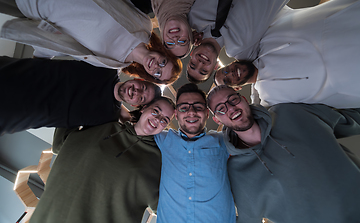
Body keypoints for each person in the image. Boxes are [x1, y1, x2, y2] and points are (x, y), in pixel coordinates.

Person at [207, 85, 360, 223]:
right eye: (221, 108)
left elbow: (351, 121)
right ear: (217, 119)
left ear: (244, 99)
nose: (231, 108)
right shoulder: (237, 172)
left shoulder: (290, 112)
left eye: (233, 99)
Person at [29, 96, 176, 223]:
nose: (158, 119)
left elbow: (166, 208)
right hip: (49, 215)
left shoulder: (159, 160)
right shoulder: (105, 124)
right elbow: (61, 143)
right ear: (143, 108)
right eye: (156, 111)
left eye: (165, 120)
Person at [0, 0, 182, 84]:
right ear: (163, 52)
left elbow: (70, 45)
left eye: (158, 73)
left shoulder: (112, 65)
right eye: (163, 62)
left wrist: (40, 55)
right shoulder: (143, 23)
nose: (155, 66)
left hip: (31, 4)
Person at [214, 0, 360, 109]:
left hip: (346, 21)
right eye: (227, 80)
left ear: (232, 62)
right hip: (351, 77)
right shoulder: (270, 100)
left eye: (225, 70)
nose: (230, 73)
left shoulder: (265, 35)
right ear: (236, 88)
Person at [0, 56, 162, 135]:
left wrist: (125, 117)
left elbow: (61, 146)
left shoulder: (107, 119)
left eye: (141, 98)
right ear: (138, 79)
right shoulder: (107, 66)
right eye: (141, 87)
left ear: (135, 105)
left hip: (15, 113)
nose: (136, 92)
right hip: (17, 74)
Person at [187, 0, 303, 83]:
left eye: (193, 65)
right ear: (216, 66)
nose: (200, 63)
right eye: (204, 70)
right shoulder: (243, 50)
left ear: (191, 53)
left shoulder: (193, 17)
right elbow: (264, 72)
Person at [154, 83, 236, 222]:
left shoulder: (223, 140)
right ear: (176, 114)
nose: (191, 112)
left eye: (198, 107)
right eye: (184, 108)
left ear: (207, 113)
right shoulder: (162, 139)